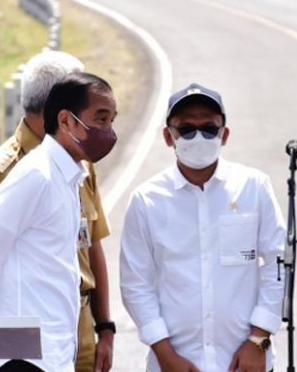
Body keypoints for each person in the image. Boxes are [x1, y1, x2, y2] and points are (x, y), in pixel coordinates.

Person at [0, 51, 115, 372]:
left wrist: (104, 326)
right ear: (65, 118)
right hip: (24, 353)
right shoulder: (35, 174)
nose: (109, 131)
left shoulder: (70, 175)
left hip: (57, 345)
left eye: (111, 121)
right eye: (101, 119)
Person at [120, 83, 285, 372]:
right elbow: (135, 284)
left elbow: (278, 264)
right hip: (173, 364)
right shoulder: (147, 201)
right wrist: (165, 354)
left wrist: (259, 340)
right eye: (186, 129)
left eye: (209, 128)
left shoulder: (253, 188)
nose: (198, 136)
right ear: (168, 136)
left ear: (225, 135)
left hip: (246, 363)